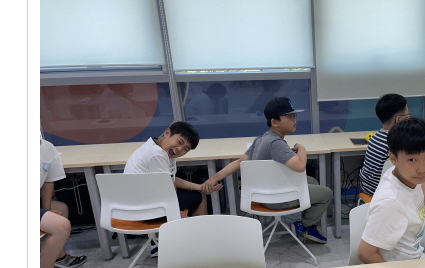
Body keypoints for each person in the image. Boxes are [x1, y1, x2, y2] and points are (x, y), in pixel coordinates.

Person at [222, 97, 332, 244]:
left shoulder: (260, 139)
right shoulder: (276, 143)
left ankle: (304, 224)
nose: (294, 120)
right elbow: (300, 166)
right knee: (326, 194)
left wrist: (213, 179)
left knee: (311, 181)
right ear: (274, 122)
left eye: (294, 116)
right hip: (275, 199)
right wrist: (301, 148)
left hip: (260, 193)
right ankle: (304, 226)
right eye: (290, 117)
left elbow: (239, 161)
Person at [358, 118, 425, 263]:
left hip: (419, 253)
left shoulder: (402, 174)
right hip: (405, 266)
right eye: (412, 160)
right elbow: (365, 254)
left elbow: (421, 184)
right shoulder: (391, 203)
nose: (422, 169)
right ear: (393, 159)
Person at [124, 121, 223, 255]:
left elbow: (171, 179)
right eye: (179, 141)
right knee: (199, 198)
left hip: (140, 202)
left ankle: (158, 243)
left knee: (198, 194)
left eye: (186, 149)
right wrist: (176, 213)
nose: (180, 149)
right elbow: (167, 189)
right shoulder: (157, 154)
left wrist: (200, 187)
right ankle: (200, 242)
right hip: (145, 209)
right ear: (167, 133)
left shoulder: (157, 147)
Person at [40, 138, 87, 268]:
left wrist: (47, 209)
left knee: (61, 209)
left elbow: (48, 180)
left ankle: (58, 258)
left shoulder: (47, 147)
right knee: (61, 226)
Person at [358, 93, 411, 197]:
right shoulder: (396, 142)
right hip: (383, 191)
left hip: (367, 187)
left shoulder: (374, 138)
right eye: (407, 115)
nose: (409, 118)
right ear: (398, 119)